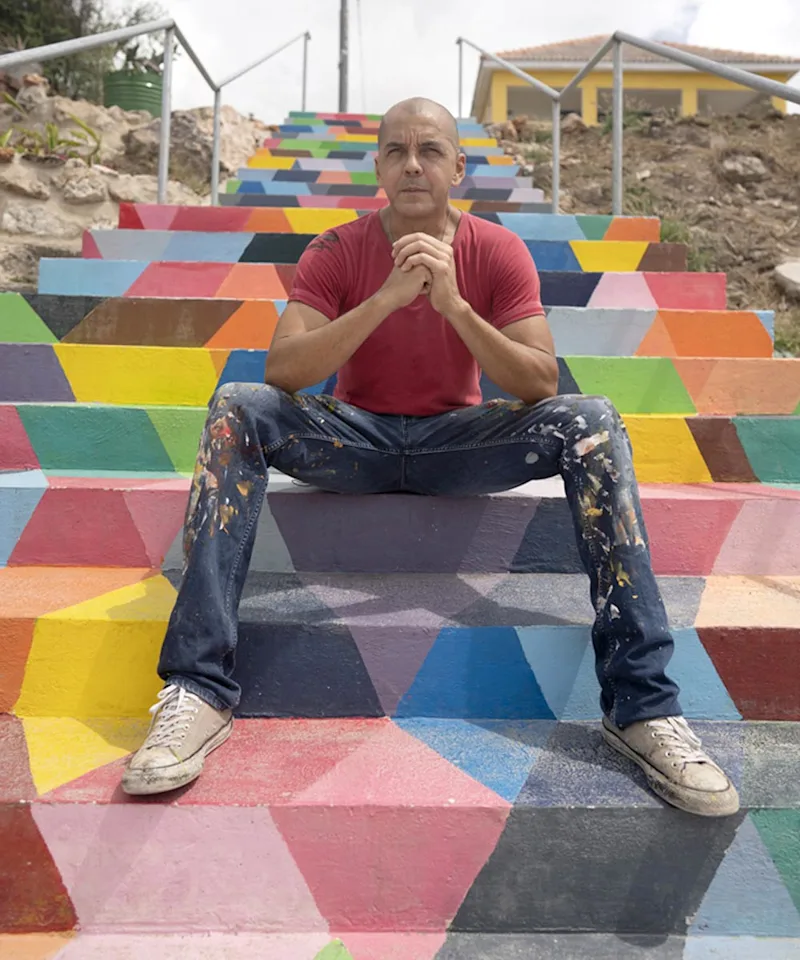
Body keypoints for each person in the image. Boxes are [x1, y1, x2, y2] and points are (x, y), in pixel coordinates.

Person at [123, 97, 738, 818]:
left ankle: (641, 707)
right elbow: (283, 372)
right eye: (396, 150)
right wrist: (387, 297)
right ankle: (197, 689)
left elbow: (539, 382)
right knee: (237, 406)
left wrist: (454, 306)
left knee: (593, 422)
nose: (413, 163)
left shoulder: (496, 250)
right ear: (378, 165)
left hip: (458, 442)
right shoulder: (335, 249)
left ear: (458, 166)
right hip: (354, 438)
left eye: (430, 150)